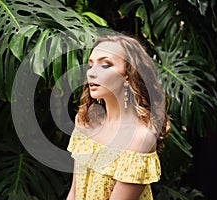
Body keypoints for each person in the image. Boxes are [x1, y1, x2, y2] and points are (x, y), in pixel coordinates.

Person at [66, 33, 170, 200]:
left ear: (128, 75)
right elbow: (74, 193)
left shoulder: (139, 138)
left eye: (105, 65)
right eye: (90, 65)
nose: (92, 73)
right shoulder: (86, 121)